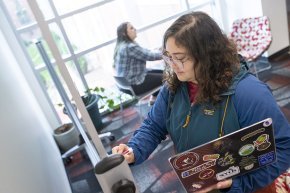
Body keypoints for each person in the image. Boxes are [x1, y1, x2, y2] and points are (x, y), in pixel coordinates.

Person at [112, 11, 290, 193]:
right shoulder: (174, 87)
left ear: (207, 56)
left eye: (180, 58)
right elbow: (153, 126)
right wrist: (134, 150)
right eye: (168, 56)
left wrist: (238, 185)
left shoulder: (250, 93)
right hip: (200, 182)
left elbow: (284, 149)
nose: (172, 65)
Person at [113, 22, 163, 105]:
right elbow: (151, 56)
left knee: (162, 72)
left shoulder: (121, 46)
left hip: (126, 84)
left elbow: (144, 52)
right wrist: (168, 52)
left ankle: (154, 98)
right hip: (134, 84)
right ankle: (167, 103)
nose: (135, 29)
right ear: (124, 33)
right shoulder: (129, 47)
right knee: (167, 77)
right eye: (131, 28)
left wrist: (158, 50)